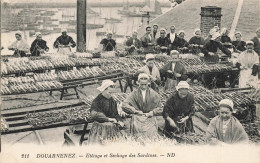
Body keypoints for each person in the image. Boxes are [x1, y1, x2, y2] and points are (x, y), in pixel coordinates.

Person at [121, 73, 162, 138]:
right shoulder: (133, 94)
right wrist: (135, 111)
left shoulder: (154, 94)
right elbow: (124, 105)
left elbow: (160, 108)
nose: (143, 86)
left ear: (148, 83)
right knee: (138, 135)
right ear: (138, 83)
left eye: (145, 84)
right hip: (138, 117)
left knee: (151, 135)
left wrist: (152, 112)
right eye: (141, 84)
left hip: (149, 117)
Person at [88, 80, 125, 144]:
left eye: (112, 93)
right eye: (109, 92)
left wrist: (119, 120)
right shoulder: (97, 100)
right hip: (100, 128)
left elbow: (115, 114)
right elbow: (94, 114)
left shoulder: (112, 101)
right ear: (104, 90)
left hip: (111, 128)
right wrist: (108, 119)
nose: (111, 94)